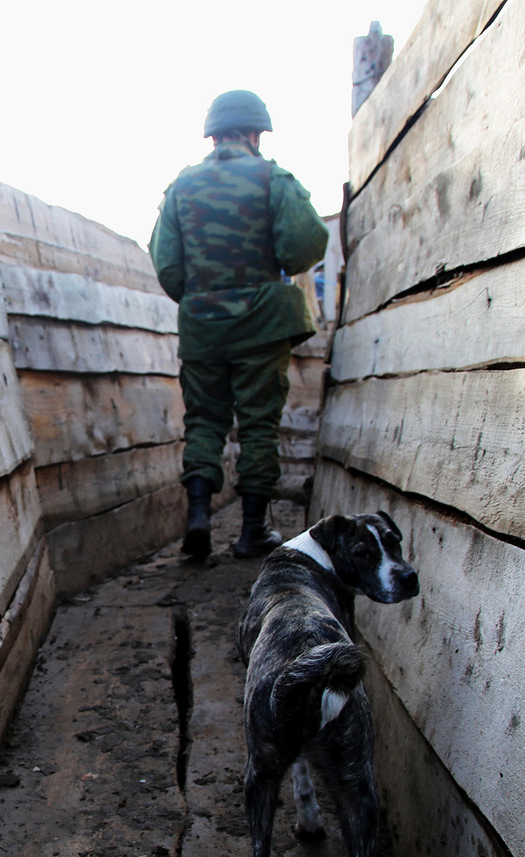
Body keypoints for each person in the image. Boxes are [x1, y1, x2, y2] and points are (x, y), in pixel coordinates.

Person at [150, 90, 329, 560]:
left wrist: (204, 300)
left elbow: (167, 266)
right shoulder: (273, 178)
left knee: (204, 422)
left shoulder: (181, 187)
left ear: (212, 135)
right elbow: (306, 245)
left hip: (203, 329)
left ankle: (198, 518)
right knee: (258, 427)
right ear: (256, 133)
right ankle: (252, 532)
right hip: (262, 328)